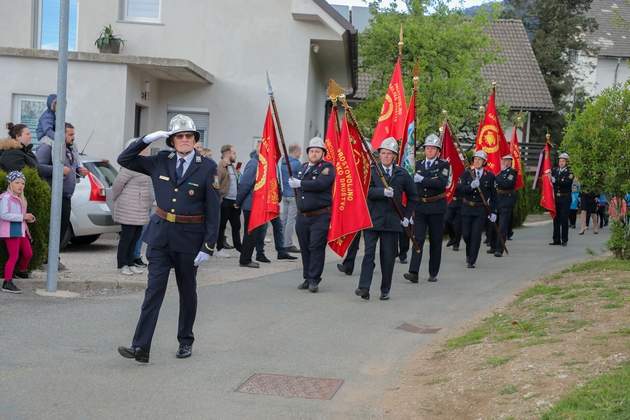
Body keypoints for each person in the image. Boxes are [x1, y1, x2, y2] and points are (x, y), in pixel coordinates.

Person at [117, 114, 220, 363]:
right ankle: (140, 347)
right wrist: (147, 139)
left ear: (195, 140)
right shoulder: (161, 160)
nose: (184, 140)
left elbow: (214, 210)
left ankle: (185, 340)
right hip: (161, 237)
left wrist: (208, 245)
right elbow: (125, 159)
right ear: (172, 141)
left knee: (187, 292)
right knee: (153, 292)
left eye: (188, 136)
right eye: (179, 136)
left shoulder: (207, 167)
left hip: (190, 240)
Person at [355, 138, 416, 300]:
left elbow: (413, 196)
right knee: (368, 254)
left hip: (392, 221)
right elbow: (365, 191)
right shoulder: (372, 170)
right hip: (373, 219)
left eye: (389, 154)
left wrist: (407, 216)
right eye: (383, 153)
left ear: (395, 156)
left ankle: (385, 289)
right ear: (379, 154)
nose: (386, 156)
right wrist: (382, 192)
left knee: (388, 257)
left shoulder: (402, 174)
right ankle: (364, 287)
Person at [288, 137, 335, 293]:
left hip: (320, 216)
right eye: (312, 151)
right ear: (308, 153)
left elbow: (321, 184)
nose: (314, 154)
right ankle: (307, 278)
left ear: (322, 153)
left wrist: (300, 183)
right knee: (305, 247)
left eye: (317, 151)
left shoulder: (327, 168)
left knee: (316, 246)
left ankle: (314, 279)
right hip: (303, 216)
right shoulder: (302, 168)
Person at [36, 123, 88, 256]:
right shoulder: (47, 147)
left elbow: (73, 166)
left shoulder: (71, 149)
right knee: (53, 229)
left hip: (66, 195)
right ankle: (46, 259)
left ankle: (53, 257)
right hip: (53, 195)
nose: (73, 137)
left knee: (62, 229)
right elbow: (38, 168)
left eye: (73, 134)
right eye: (70, 134)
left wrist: (79, 170)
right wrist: (58, 170)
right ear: (60, 134)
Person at [404, 134, 449, 283]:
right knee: (418, 239)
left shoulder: (443, 165)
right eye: (427, 148)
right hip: (421, 207)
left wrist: (424, 180)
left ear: (438, 151)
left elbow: (442, 183)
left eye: (432, 148)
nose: (429, 151)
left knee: (436, 241)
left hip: (436, 207)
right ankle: (413, 272)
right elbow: (412, 187)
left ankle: (433, 272)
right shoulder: (418, 164)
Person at [112, 139, 154, 276]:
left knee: (135, 236)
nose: (147, 150)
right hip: (129, 207)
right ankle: (122, 264)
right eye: (145, 148)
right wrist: (116, 200)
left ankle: (131, 263)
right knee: (127, 237)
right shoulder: (129, 165)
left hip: (141, 208)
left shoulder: (145, 165)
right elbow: (117, 185)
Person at [457, 150, 496, 269]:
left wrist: (493, 211)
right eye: (475, 159)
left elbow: (494, 195)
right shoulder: (467, 174)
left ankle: (472, 260)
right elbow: (460, 189)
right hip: (467, 208)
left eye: (479, 160)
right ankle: (469, 253)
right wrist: (470, 187)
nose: (477, 161)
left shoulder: (489, 176)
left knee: (476, 235)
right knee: (466, 235)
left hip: (480, 210)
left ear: (484, 162)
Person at [0, 171, 35, 294]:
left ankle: (21, 271)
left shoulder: (21, 198)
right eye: (17, 182)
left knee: (28, 253)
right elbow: (3, 215)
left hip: (21, 230)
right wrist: (23, 216)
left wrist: (28, 218)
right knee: (13, 256)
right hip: (10, 231)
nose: (20, 185)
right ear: (10, 183)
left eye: (23, 183)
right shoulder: (6, 197)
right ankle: (7, 282)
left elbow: (22, 216)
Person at [236, 149, 263, 268]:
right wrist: (238, 201)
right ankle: (245, 260)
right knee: (250, 233)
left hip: (257, 204)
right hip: (251, 205)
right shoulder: (253, 164)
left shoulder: (260, 163)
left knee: (253, 233)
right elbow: (245, 184)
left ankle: (246, 258)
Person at [215, 144, 242, 258]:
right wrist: (220, 196)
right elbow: (216, 183)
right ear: (227, 153)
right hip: (224, 201)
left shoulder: (232, 166)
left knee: (236, 225)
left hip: (234, 201)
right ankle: (219, 248)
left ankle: (239, 247)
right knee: (222, 225)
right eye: (233, 153)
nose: (235, 155)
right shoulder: (221, 166)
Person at [490, 155, 517, 257]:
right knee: (493, 224)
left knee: (502, 226)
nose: (505, 162)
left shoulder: (512, 172)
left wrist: (496, 178)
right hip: (498, 199)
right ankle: (493, 246)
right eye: (504, 160)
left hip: (506, 200)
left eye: (507, 160)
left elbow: (507, 184)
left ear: (510, 162)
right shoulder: (501, 172)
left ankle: (499, 249)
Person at [279, 143, 302, 254]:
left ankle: (281, 241)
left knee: (284, 219)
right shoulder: (297, 163)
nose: (300, 153)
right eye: (300, 151)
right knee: (290, 221)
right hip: (293, 195)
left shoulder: (283, 162)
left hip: (285, 194)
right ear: (296, 151)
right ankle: (287, 244)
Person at [550, 152, 574, 245]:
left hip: (565, 197)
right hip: (556, 197)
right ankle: (556, 239)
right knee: (556, 219)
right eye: (560, 161)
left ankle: (564, 240)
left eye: (563, 161)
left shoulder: (570, 172)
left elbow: (567, 182)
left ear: (566, 162)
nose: (561, 163)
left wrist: (556, 180)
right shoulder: (555, 170)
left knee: (564, 219)